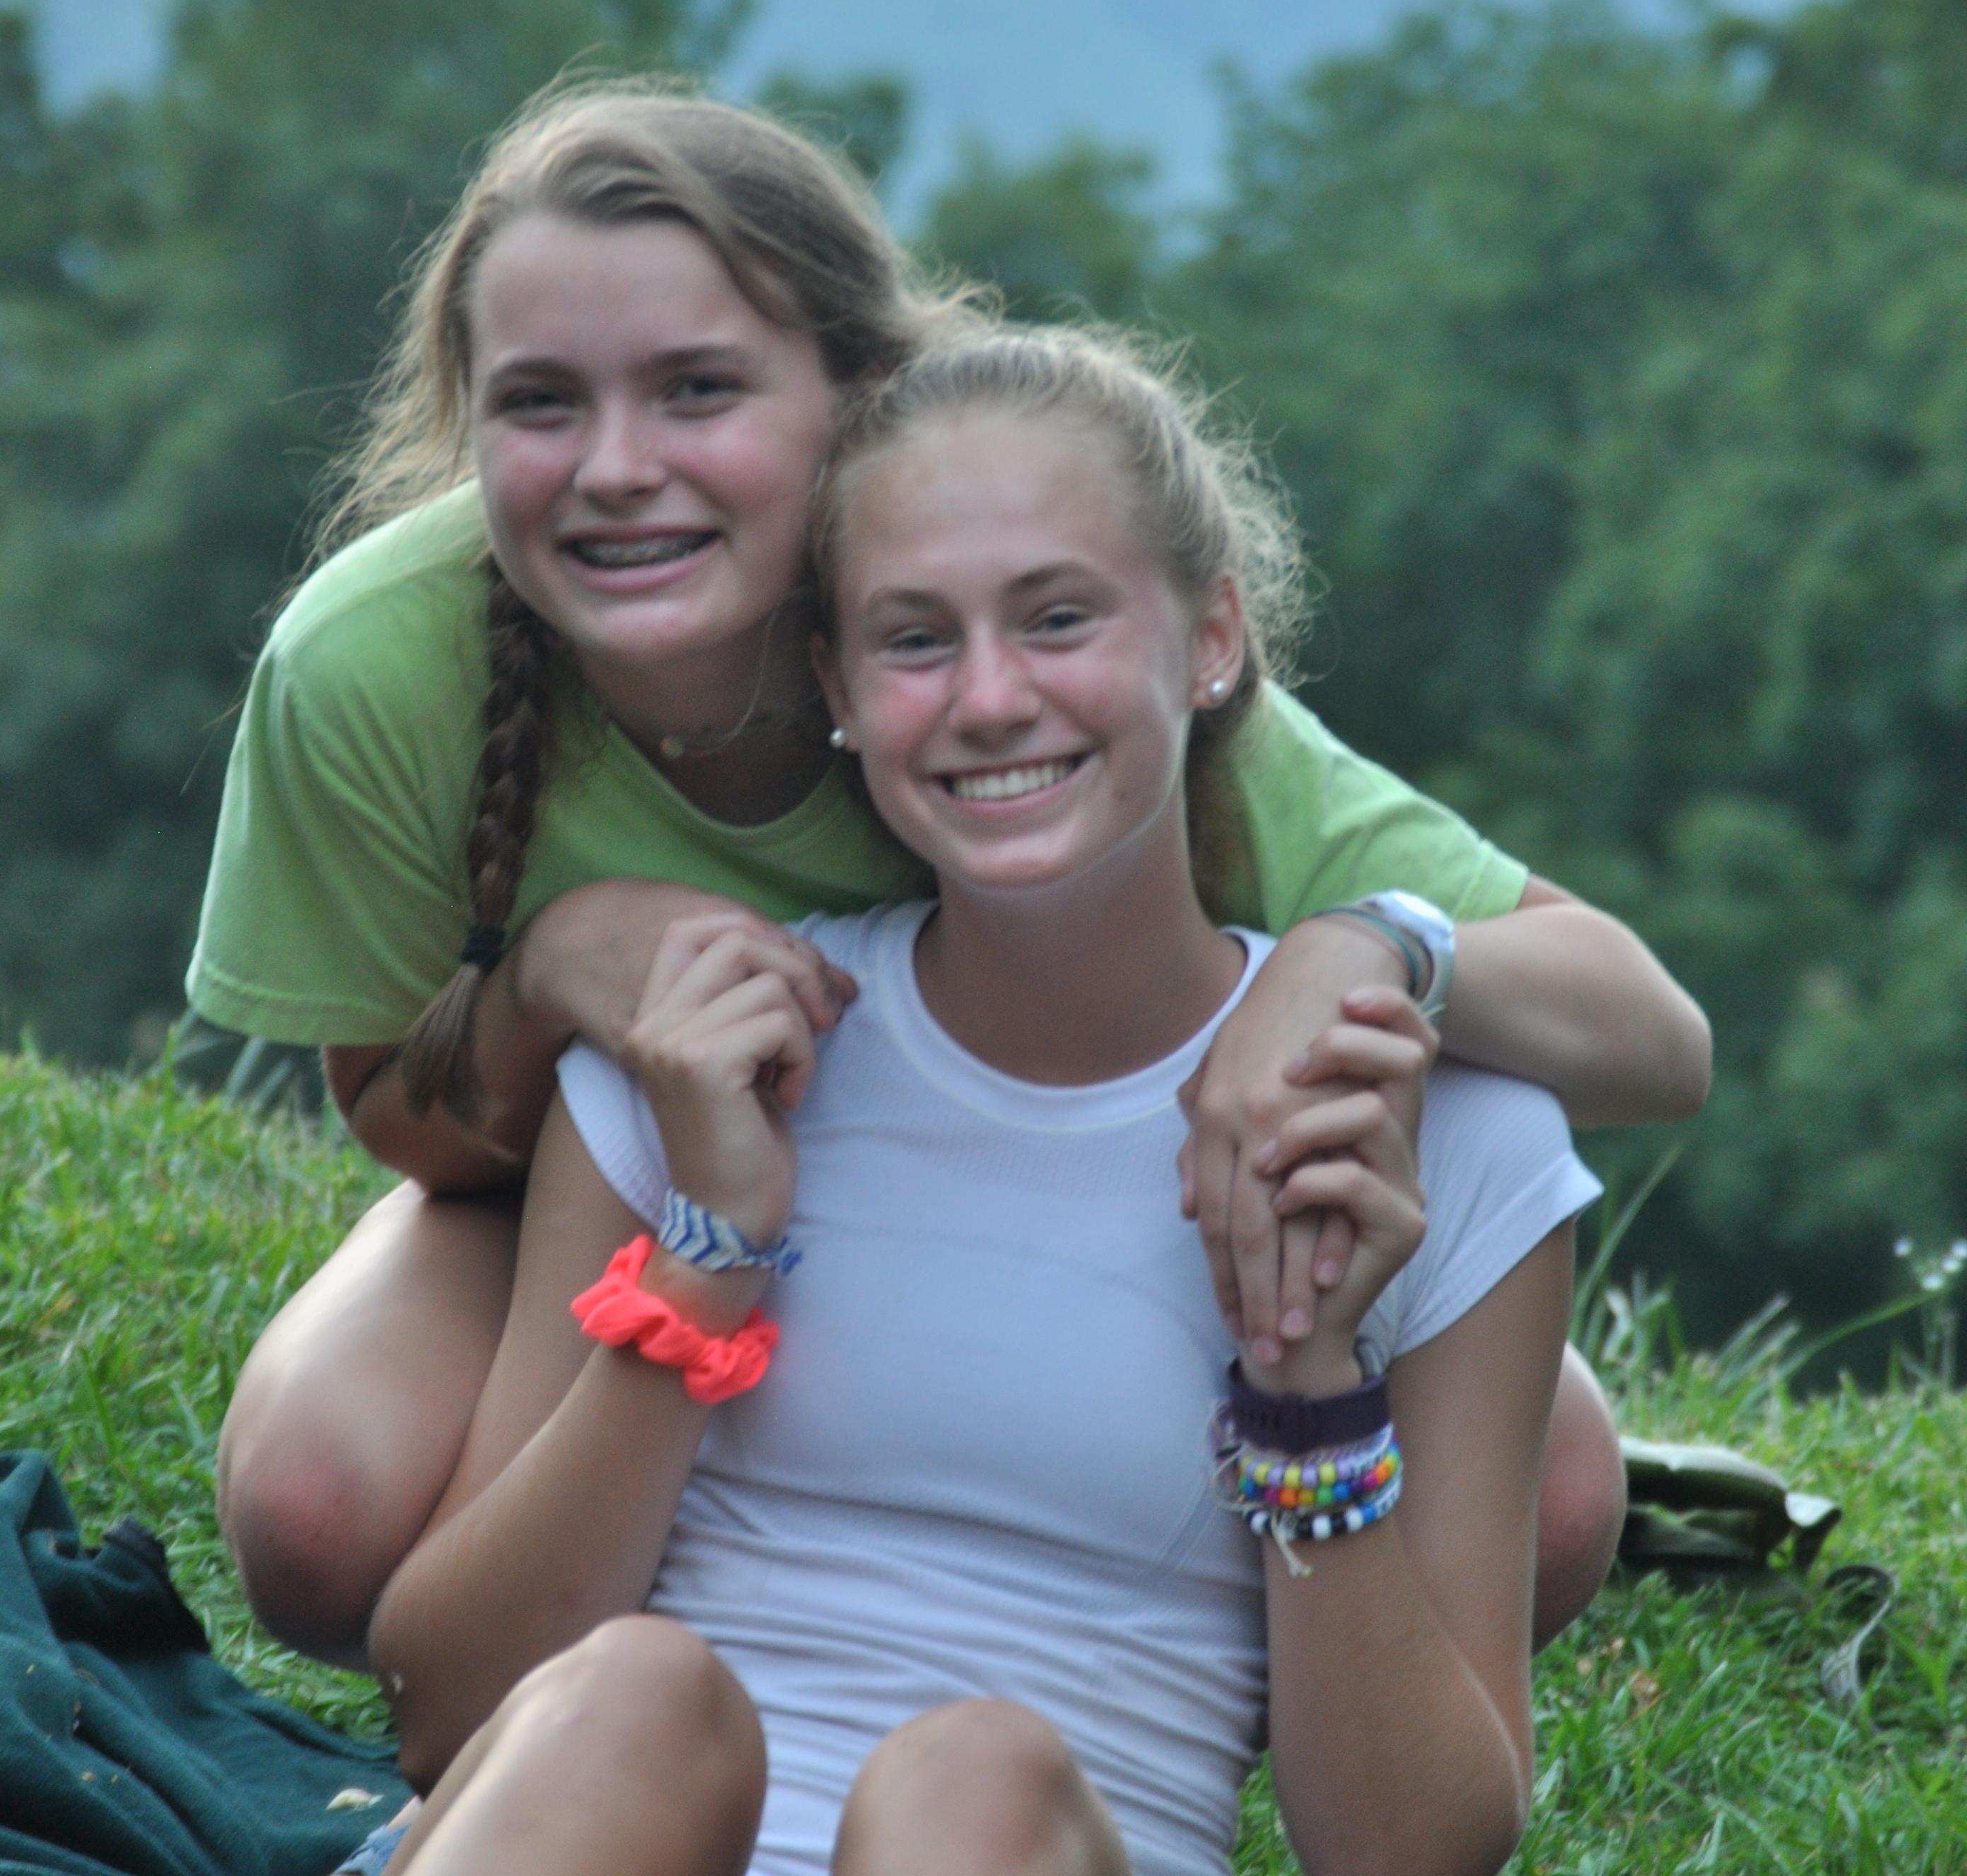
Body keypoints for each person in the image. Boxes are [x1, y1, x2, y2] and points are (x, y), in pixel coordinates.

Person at [205, 327, 1604, 1876]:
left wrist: (1307, 1381)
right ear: (841, 694)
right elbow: (453, 1705)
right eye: (916, 640)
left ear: (1210, 639)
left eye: (1058, 618)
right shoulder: (715, 1045)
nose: (992, 696)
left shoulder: (1437, 1135)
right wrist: (710, 1255)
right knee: (627, 1699)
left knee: (975, 1781)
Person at [191, 87, 1703, 1685]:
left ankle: (1123, 1702)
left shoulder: (1035, 668)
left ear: (856, 395)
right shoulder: (370, 662)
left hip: (1058, 1212)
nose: (617, 468)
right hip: (586, 1202)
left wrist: (1368, 944)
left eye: (698, 389)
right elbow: (405, 1124)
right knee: (317, 1510)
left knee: (1553, 1497)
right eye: (541, 403)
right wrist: (552, 975)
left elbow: (1651, 1040)